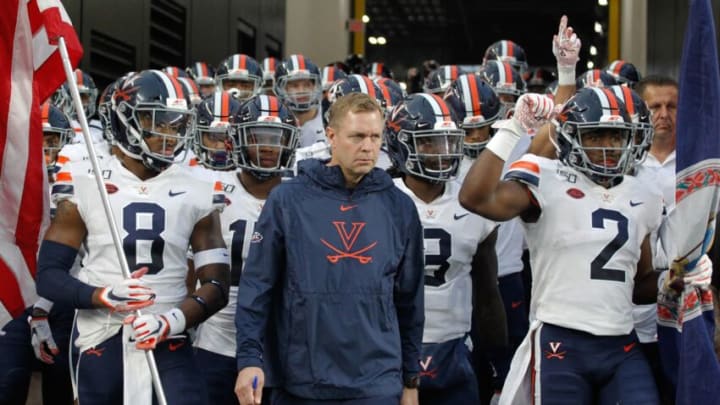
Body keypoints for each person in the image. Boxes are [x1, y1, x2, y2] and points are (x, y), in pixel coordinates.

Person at [36, 69, 230, 404]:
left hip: (169, 335)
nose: (168, 134)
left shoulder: (197, 185)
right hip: (102, 333)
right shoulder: (86, 179)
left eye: (176, 123)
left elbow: (217, 284)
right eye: (156, 121)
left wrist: (173, 320)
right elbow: (49, 277)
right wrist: (102, 295)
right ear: (123, 121)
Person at [459, 89, 664, 404]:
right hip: (561, 339)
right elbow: (475, 198)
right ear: (570, 137)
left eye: (616, 136)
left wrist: (674, 280)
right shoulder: (548, 177)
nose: (607, 146)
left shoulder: (644, 195)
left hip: (622, 342)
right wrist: (512, 128)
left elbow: (639, 286)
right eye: (595, 136)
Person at [234, 93, 425, 405]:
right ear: (331, 136)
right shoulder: (287, 200)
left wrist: (411, 381)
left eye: (375, 137)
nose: (368, 147)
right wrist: (249, 360)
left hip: (377, 383)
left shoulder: (399, 206)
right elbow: (257, 288)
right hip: (302, 381)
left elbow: (410, 301)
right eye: (358, 136)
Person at [385, 93, 502, 404]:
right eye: (427, 143)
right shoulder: (379, 199)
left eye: (446, 142)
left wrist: (499, 365)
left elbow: (488, 295)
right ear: (400, 144)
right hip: (388, 349)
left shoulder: (471, 200)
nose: (440, 152)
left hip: (454, 347)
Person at [192, 94, 300, 405]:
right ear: (236, 140)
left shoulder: (303, 198)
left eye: (277, 137)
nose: (268, 146)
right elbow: (190, 269)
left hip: (280, 341)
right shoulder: (210, 188)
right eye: (258, 136)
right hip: (216, 336)